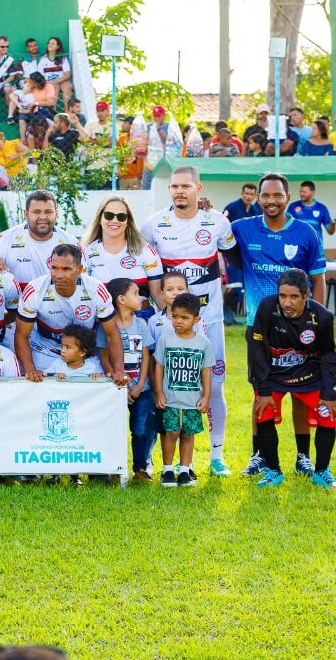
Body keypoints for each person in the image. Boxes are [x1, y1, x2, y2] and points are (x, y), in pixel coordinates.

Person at [227, 173, 327, 477]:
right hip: (259, 326)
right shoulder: (242, 229)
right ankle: (260, 456)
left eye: (277, 195)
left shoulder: (306, 232)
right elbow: (218, 240)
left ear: (288, 198)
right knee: (262, 392)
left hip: (300, 327)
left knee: (300, 391)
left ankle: (303, 457)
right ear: (257, 197)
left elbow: (318, 279)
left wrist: (317, 320)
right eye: (265, 195)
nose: (271, 201)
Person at [139, 165, 236, 476]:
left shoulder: (218, 222)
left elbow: (233, 258)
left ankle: (217, 456)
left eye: (185, 186)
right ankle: (155, 456)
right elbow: (143, 265)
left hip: (210, 318)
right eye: (174, 186)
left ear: (199, 188)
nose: (179, 191)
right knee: (162, 385)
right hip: (168, 322)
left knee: (215, 387)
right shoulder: (154, 225)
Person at [246, 269, 336, 490]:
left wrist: (328, 394)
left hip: (309, 376)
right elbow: (257, 350)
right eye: (282, 296)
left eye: (294, 297)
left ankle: (322, 472)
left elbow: (329, 357)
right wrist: (263, 390)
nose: (287, 302)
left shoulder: (322, 317)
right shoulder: (267, 308)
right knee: (264, 412)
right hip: (273, 376)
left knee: (328, 416)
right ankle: (273, 471)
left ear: (307, 295)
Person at [15, 244, 124, 382]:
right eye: (54, 268)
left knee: (99, 387)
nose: (58, 275)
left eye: (66, 269)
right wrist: (30, 369)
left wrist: (119, 370)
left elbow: (112, 333)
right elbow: (21, 335)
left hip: (83, 352)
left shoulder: (95, 288)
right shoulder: (35, 289)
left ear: (79, 270)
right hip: (45, 349)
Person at [99, 277, 157, 481]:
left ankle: (141, 467)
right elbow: (103, 354)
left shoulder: (141, 324)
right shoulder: (106, 326)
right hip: (114, 389)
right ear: (121, 299)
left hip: (141, 389)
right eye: (135, 293)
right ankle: (113, 468)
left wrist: (141, 384)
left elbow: (146, 355)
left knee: (141, 429)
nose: (140, 297)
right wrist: (115, 383)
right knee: (113, 429)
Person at [152, 292, 212, 487]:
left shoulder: (203, 343)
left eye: (184, 318)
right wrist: (159, 392)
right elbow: (159, 367)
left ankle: (185, 470)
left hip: (192, 401)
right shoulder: (165, 340)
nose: (178, 321)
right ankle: (168, 470)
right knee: (170, 433)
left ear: (197, 319)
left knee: (187, 434)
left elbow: (206, 372)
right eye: (175, 316)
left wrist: (206, 396)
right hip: (170, 399)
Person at [82, 196, 161, 319]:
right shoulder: (86, 252)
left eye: (121, 216)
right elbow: (83, 297)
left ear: (128, 221)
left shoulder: (145, 250)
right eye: (109, 215)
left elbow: (157, 294)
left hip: (142, 318)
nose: (115, 220)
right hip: (103, 320)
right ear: (100, 219)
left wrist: (169, 325)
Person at [0, 190, 80, 288]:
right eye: (36, 212)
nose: (42, 217)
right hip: (14, 302)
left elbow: (82, 278)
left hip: (58, 301)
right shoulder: (5, 238)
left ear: (56, 214)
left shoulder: (71, 242)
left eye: (48, 212)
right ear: (26, 214)